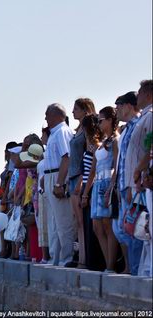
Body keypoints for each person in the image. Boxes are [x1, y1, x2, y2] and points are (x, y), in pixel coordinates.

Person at [82, 107, 119, 272]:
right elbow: (92, 171)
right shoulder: (101, 142)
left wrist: (112, 186)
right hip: (97, 184)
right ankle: (107, 262)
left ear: (110, 120)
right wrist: (85, 193)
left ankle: (111, 264)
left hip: (107, 183)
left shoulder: (115, 140)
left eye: (101, 120)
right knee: (97, 227)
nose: (98, 123)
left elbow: (117, 166)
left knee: (107, 225)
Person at [43, 103, 75, 266]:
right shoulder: (55, 133)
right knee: (54, 222)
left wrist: (59, 183)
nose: (45, 119)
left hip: (57, 175)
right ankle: (55, 257)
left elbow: (66, 157)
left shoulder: (62, 131)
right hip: (50, 175)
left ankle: (66, 258)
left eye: (47, 115)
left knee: (63, 221)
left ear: (55, 115)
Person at [113, 91, 141, 274]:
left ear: (129, 106)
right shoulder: (126, 129)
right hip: (123, 186)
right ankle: (133, 268)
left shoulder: (138, 125)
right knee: (124, 230)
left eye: (119, 106)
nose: (117, 111)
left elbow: (137, 158)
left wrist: (131, 184)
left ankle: (137, 270)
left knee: (135, 230)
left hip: (132, 186)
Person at [68, 98, 96, 268]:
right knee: (78, 222)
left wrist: (81, 181)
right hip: (73, 177)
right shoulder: (77, 130)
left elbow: (88, 157)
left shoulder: (87, 129)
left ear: (85, 110)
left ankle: (84, 259)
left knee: (82, 221)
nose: (73, 112)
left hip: (80, 177)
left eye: (76, 109)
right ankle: (81, 258)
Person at [128, 80, 152, 276]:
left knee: (149, 225)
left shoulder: (150, 117)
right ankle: (146, 268)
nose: (137, 97)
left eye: (140, 93)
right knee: (144, 226)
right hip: (141, 180)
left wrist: (139, 170)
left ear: (149, 95)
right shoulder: (144, 117)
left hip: (146, 178)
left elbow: (150, 149)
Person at [36, 127, 51, 263]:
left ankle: (49, 256)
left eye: (43, 135)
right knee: (43, 225)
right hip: (41, 192)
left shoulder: (50, 154)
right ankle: (45, 256)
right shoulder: (45, 154)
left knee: (50, 224)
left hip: (48, 190)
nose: (41, 138)